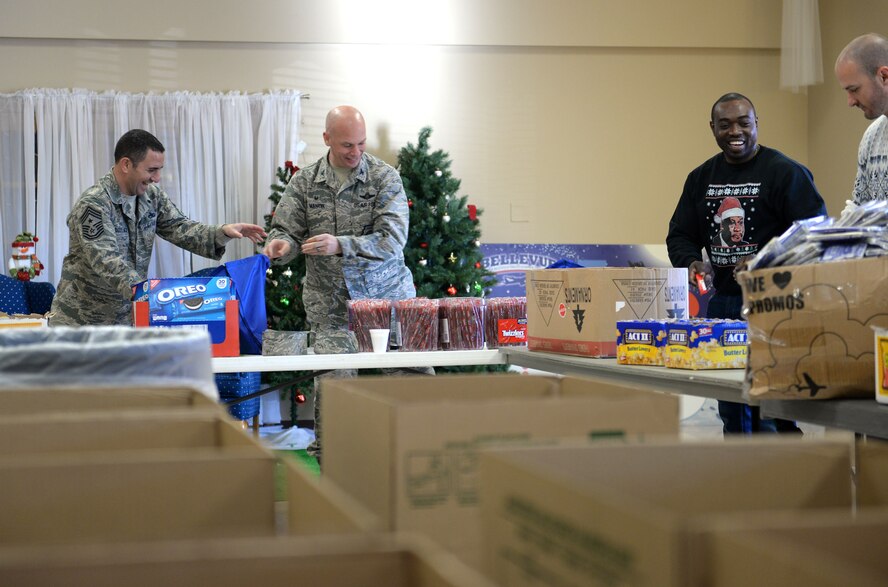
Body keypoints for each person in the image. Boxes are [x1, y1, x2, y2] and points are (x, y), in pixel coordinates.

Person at [263, 105, 422, 463]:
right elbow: (285, 231)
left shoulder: (385, 178)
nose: (356, 152)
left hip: (388, 303)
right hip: (330, 306)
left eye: (361, 144)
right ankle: (334, 476)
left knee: (412, 385)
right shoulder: (304, 182)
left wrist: (341, 244)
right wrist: (281, 247)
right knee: (334, 394)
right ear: (327, 139)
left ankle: (418, 459)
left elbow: (392, 239)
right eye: (347, 145)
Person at [666, 93, 827, 434]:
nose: (735, 131)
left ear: (757, 124)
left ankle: (788, 478)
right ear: (713, 128)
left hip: (776, 304)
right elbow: (679, 234)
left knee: (774, 407)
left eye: (744, 123)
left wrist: (765, 259)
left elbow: (814, 234)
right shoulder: (700, 178)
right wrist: (693, 262)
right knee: (733, 408)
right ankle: (745, 477)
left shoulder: (786, 172)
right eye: (725, 125)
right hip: (724, 304)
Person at [49, 129, 266, 326]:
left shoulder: (151, 197)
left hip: (123, 324)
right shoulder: (93, 204)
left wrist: (222, 232)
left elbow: (181, 228)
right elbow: (107, 261)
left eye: (160, 170)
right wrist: (155, 294)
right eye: (152, 170)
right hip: (79, 325)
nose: (157, 178)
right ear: (126, 165)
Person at [834, 33, 888, 204]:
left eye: (854, 89)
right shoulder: (871, 136)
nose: (850, 102)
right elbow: (860, 210)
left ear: (884, 77)